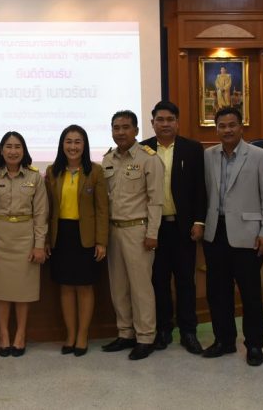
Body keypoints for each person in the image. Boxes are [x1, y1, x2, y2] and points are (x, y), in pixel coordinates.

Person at [202, 106, 263, 366]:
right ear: (216, 128)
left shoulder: (259, 156)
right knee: (217, 292)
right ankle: (224, 340)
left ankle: (254, 345)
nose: (227, 130)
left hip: (248, 235)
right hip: (215, 233)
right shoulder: (208, 155)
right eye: (221, 126)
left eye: (232, 125)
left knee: (251, 294)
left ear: (241, 127)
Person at [141, 100, 206, 353]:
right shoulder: (143, 149)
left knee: (185, 281)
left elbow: (201, 189)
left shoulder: (192, 149)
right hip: (153, 229)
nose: (165, 124)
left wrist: (199, 221)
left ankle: (188, 331)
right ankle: (163, 329)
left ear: (177, 122)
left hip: (183, 228)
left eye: (170, 120)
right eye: (160, 120)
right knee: (158, 280)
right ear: (152, 123)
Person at [100, 110, 163, 361]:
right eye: (116, 128)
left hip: (138, 231)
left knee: (140, 288)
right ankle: (125, 333)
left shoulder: (149, 159)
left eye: (126, 127)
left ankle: (146, 337)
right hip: (113, 231)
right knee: (118, 287)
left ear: (136, 131)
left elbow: (156, 200)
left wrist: (152, 233)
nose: (121, 132)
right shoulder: (107, 159)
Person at [0, 131, 48, 357]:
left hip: (25, 238)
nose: (13, 151)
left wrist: (39, 245)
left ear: (24, 150)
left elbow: (41, 214)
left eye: (17, 146)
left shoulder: (34, 177)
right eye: (8, 146)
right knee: (2, 290)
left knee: (23, 291)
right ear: (1, 150)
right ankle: (3, 335)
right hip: (0, 238)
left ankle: (20, 334)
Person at [44, 125, 108, 356]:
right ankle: (70, 335)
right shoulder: (53, 171)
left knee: (84, 287)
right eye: (68, 141)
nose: (73, 146)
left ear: (85, 145)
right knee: (66, 287)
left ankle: (82, 335)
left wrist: (101, 241)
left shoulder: (95, 172)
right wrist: (45, 240)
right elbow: (47, 209)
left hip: (86, 237)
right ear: (62, 145)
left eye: (77, 142)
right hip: (61, 236)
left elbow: (102, 210)